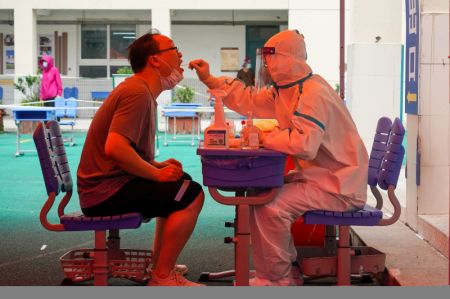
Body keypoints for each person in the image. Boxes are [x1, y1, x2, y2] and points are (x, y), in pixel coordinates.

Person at [189, 29, 368, 286]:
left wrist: (264, 138)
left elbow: (304, 143)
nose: (268, 65)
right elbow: (249, 99)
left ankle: (278, 279)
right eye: (266, 59)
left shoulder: (313, 92)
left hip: (340, 185)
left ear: (290, 57)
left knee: (271, 206)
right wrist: (210, 79)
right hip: (324, 178)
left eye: (273, 58)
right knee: (261, 197)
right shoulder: (289, 90)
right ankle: (279, 272)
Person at [77, 30, 205, 287]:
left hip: (104, 187)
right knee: (190, 194)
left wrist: (157, 165)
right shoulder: (137, 92)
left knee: (181, 183)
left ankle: (159, 265)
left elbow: (126, 150)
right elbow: (115, 148)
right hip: (103, 193)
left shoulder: (141, 91)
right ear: (155, 60)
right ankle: (162, 276)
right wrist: (156, 174)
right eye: (173, 49)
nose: (180, 55)